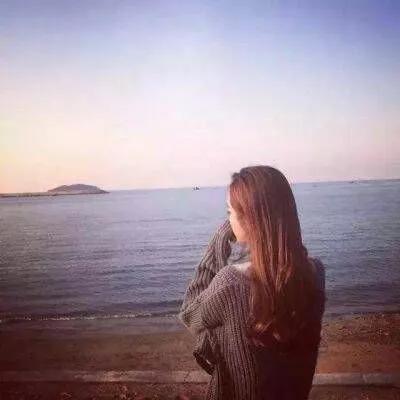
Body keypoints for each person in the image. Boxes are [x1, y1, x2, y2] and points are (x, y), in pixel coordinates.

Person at [178, 165, 326, 400]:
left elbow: (190, 315)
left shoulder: (230, 283)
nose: (228, 220)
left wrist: (217, 242)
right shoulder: (315, 273)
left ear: (249, 220)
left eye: (229, 212)